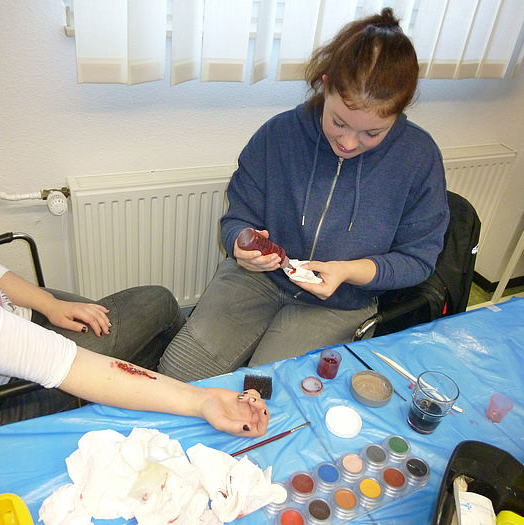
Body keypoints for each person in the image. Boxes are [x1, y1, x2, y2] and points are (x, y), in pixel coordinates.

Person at [0, 21, 269, 451]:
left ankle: (159, 384)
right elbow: (65, 363)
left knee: (156, 302)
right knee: (156, 316)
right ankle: (162, 392)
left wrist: (47, 303)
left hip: (1, 331)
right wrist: (200, 401)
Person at [158, 8, 450, 382]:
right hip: (257, 281)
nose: (348, 142)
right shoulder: (279, 135)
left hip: (340, 302)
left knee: (263, 391)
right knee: (175, 376)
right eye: (339, 122)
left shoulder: (418, 157)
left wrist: (347, 272)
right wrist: (241, 246)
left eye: (371, 134)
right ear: (324, 85)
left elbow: (418, 260)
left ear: (398, 112)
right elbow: (238, 218)